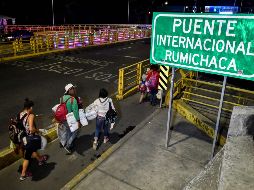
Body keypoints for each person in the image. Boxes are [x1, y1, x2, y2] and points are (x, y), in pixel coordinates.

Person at [19, 98, 48, 181]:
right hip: (30, 139)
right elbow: (31, 129)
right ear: (30, 107)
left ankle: (40, 160)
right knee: (28, 157)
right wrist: (39, 130)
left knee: (30, 153)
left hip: (23, 138)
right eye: (32, 107)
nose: (33, 109)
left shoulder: (21, 114)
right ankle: (23, 174)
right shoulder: (31, 115)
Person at [58, 83, 81, 154]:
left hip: (63, 118)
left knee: (67, 131)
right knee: (75, 131)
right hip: (71, 119)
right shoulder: (72, 99)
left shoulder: (61, 98)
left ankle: (64, 142)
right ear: (69, 90)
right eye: (73, 88)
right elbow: (75, 111)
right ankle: (69, 145)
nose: (74, 90)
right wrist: (78, 121)